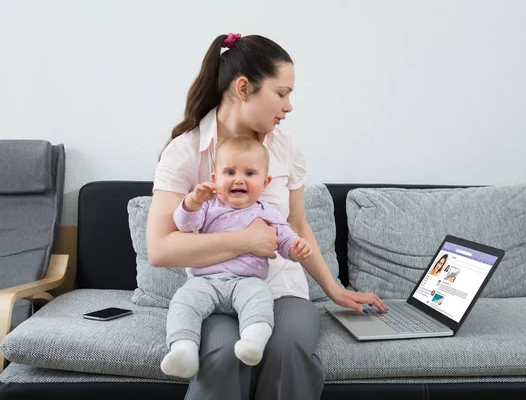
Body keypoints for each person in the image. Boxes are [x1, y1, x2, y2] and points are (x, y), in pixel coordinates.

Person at [146, 32, 386, 400]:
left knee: (287, 349)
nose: (288, 106)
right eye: (282, 92)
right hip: (216, 292)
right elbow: (160, 249)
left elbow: (299, 225)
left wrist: (335, 289)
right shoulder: (185, 152)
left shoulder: (286, 147)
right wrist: (245, 241)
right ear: (244, 89)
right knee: (223, 353)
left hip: (283, 290)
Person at [161, 137, 312, 379]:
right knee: (183, 302)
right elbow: (185, 225)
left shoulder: (267, 211)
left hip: (247, 281)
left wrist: (296, 249)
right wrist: (192, 201)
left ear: (265, 182)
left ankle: (253, 340)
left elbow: (284, 241)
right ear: (215, 179)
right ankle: (183, 349)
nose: (239, 179)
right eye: (229, 172)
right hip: (205, 281)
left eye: (250, 173)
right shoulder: (209, 207)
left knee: (260, 298)